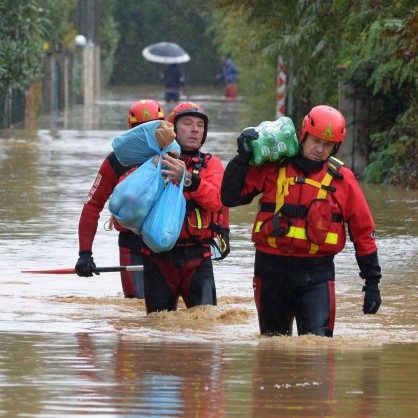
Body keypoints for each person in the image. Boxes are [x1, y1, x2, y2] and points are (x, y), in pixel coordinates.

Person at [221, 105, 382, 337]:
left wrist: (372, 283)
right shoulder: (272, 166)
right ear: (303, 134)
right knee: (273, 352)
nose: (319, 149)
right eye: (315, 140)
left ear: (336, 146)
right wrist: (241, 160)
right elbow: (229, 197)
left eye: (327, 145)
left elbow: (363, 232)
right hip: (270, 272)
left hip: (316, 275)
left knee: (318, 350)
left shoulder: (343, 179)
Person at [141, 101, 230, 314]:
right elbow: (131, 203)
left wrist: (188, 179)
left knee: (206, 327)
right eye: (187, 123)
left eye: (200, 125)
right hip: (158, 258)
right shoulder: (153, 162)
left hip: (197, 258)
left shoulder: (212, 164)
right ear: (173, 129)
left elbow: (217, 200)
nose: (194, 129)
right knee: (158, 328)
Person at [75, 99, 166, 298]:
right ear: (131, 130)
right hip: (132, 244)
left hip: (170, 242)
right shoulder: (115, 162)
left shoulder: (176, 156)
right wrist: (85, 254)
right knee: (134, 308)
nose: (146, 135)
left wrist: (221, 233)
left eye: (152, 129)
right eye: (140, 129)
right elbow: (92, 207)